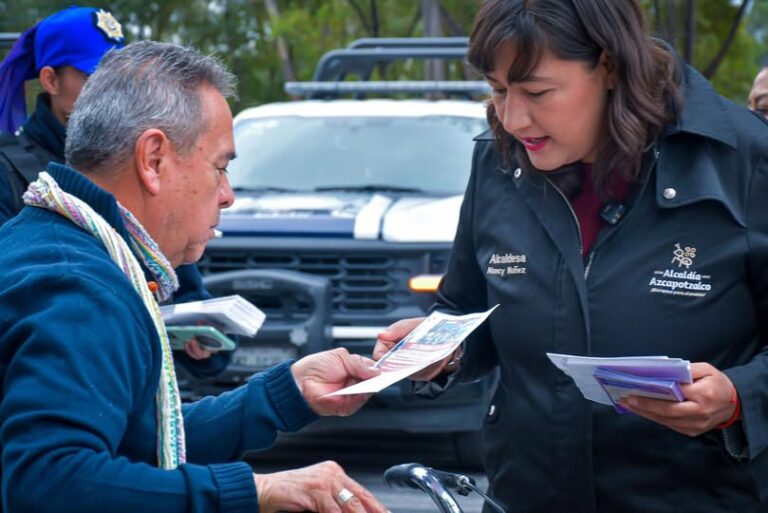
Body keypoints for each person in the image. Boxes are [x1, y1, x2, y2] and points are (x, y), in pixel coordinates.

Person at [374, 0, 768, 511]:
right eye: (496, 90)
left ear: (608, 66)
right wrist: (440, 349)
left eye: (537, 91)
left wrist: (739, 398)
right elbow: (465, 309)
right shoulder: (495, 161)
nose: (513, 118)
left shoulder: (746, 161)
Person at [0, 40, 387, 513]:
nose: (227, 195)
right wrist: (258, 491)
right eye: (220, 166)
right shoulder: (79, 286)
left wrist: (285, 394)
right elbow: (52, 483)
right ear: (154, 160)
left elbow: (143, 438)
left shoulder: (60, 243)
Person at [0, 6, 231, 376]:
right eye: (93, 74)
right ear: (50, 80)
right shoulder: (8, 169)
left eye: (115, 72)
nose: (107, 85)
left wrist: (204, 334)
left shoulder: (141, 155)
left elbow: (180, 283)